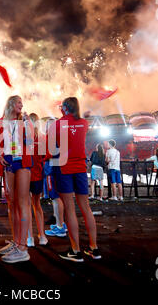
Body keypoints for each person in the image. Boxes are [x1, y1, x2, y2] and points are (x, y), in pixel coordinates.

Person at [52, 97, 100, 262]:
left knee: (70, 210)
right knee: (86, 208)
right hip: (80, 168)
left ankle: (75, 250)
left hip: (64, 168)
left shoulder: (57, 124)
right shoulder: (84, 124)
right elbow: (80, 120)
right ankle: (94, 248)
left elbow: (52, 148)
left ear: (65, 108)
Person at [0, 95, 34, 263]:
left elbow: (31, 141)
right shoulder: (0, 122)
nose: (21, 105)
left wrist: (28, 124)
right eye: (18, 102)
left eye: (22, 103)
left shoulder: (24, 121)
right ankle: (16, 242)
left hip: (23, 162)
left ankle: (23, 247)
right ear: (11, 104)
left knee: (23, 202)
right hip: (8, 162)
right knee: (12, 203)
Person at [26, 113, 48, 247]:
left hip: (27, 174)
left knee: (28, 205)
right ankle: (42, 236)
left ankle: (30, 237)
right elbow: (46, 155)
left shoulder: (26, 137)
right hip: (37, 174)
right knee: (36, 204)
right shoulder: (42, 137)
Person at [44, 118, 67, 238]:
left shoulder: (51, 137)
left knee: (55, 198)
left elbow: (47, 154)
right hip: (60, 168)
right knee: (59, 198)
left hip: (52, 169)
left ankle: (60, 227)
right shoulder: (61, 137)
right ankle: (61, 223)